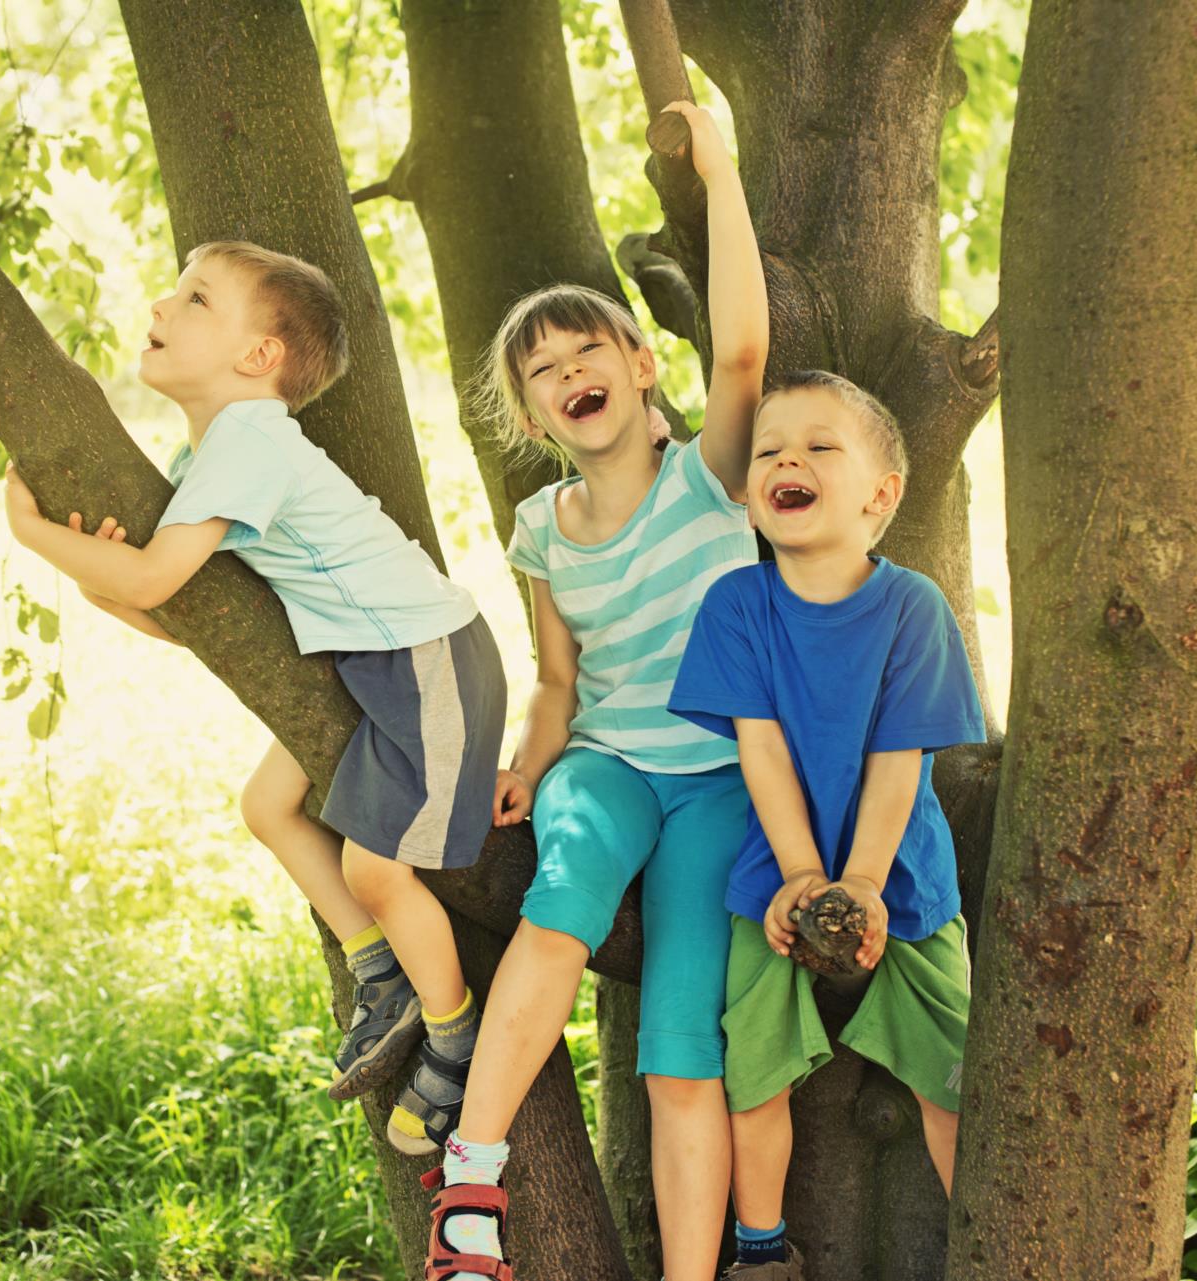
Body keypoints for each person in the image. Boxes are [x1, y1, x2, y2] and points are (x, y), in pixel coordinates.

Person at [3, 240, 505, 1155]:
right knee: (267, 803)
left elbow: (161, 576)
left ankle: (457, 1034)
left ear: (258, 357)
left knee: (376, 869)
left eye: (195, 298)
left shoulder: (249, 438)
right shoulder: (215, 452)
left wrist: (36, 537)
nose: (162, 302)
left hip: (427, 660)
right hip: (365, 663)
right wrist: (105, 590)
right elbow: (213, 624)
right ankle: (378, 968)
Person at [422, 101, 768, 1281]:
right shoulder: (542, 532)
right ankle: (469, 1183)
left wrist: (719, 172)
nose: (572, 373)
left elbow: (744, 356)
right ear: (529, 417)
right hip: (608, 766)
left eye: (590, 353)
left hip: (723, 780)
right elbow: (559, 680)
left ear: (639, 366)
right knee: (561, 901)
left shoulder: (712, 482)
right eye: (545, 372)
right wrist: (528, 761)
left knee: (681, 1049)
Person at [669, 370, 988, 1277]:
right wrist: (803, 878)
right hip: (773, 873)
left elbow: (900, 763)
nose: (787, 460)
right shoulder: (738, 605)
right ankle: (762, 1248)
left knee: (956, 1077)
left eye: (818, 446)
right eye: (769, 449)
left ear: (881, 494)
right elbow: (761, 753)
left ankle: (988, 1241)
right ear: (752, 491)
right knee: (751, 1069)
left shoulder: (911, 608)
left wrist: (862, 885)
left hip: (906, 878)